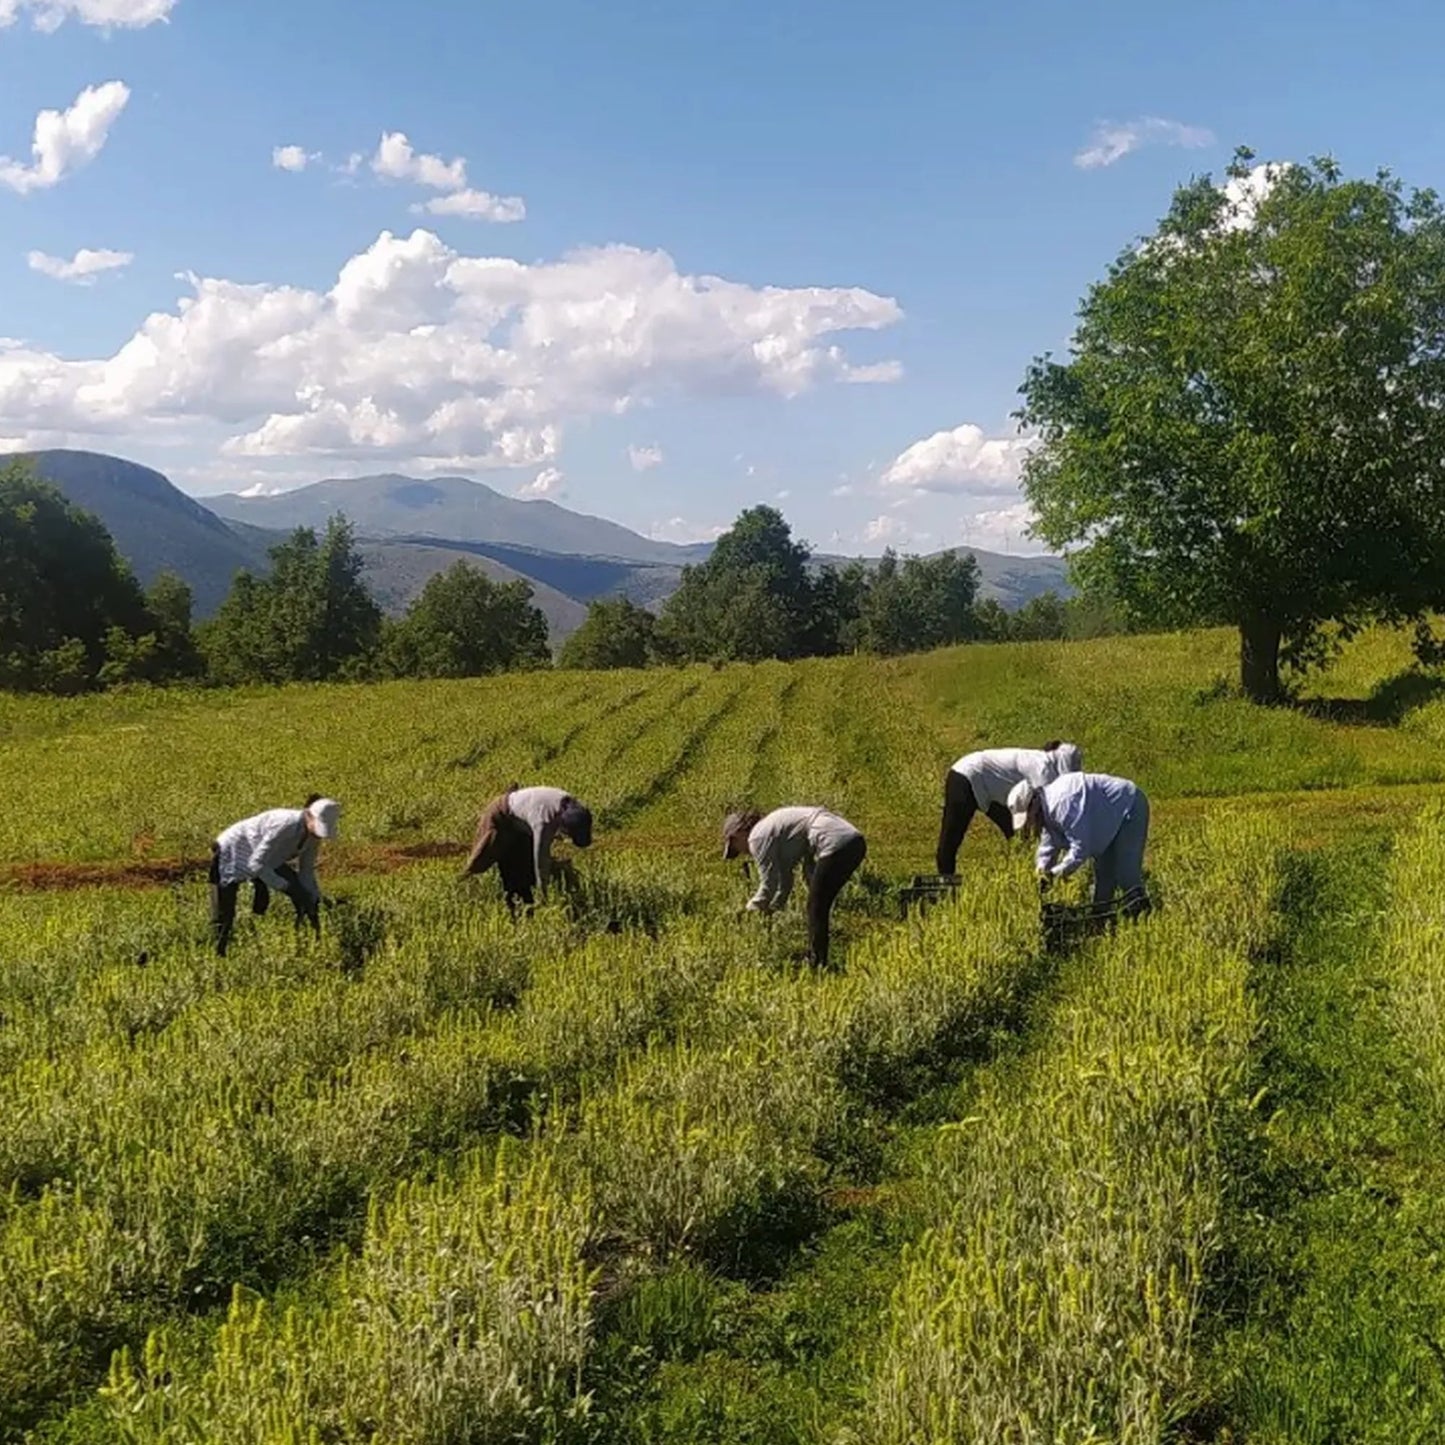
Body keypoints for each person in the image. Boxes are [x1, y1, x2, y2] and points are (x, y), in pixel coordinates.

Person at [722, 805, 867, 968]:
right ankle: (818, 958)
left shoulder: (756, 837)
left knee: (816, 906)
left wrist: (749, 912)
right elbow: (785, 881)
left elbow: (768, 884)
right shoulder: (773, 829)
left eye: (735, 845)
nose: (743, 852)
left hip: (834, 842)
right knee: (819, 903)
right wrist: (775, 908)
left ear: (738, 833)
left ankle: (817, 963)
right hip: (854, 841)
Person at [209, 795, 341, 956]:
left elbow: (306, 870)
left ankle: (304, 938)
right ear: (308, 815)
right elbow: (256, 864)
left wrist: (312, 896)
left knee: (301, 893)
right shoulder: (284, 824)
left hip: (268, 859)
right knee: (224, 909)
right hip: (234, 850)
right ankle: (218, 952)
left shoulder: (313, 836)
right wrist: (283, 886)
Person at [1007, 771, 1151, 917]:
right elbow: (1047, 847)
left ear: (1034, 803)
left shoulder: (1062, 803)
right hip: (1106, 818)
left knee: (1126, 874)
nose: (1028, 824)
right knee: (1103, 875)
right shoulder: (1046, 810)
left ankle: (1145, 916)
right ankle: (1100, 919)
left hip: (1128, 805)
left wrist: (1054, 874)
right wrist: (1041, 873)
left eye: (1027, 818)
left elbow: (1081, 848)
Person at [935, 741, 1084, 875]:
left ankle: (1022, 875)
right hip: (965, 777)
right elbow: (1048, 816)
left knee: (1018, 838)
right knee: (951, 838)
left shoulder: (1047, 765)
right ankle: (945, 883)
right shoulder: (1042, 770)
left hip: (993, 791)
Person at [463, 783, 593, 913]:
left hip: (524, 823)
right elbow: (541, 862)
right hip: (502, 817)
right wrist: (543, 896)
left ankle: (527, 906)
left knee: (526, 867)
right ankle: (462, 886)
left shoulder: (575, 808)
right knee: (505, 868)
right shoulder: (543, 822)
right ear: (563, 827)